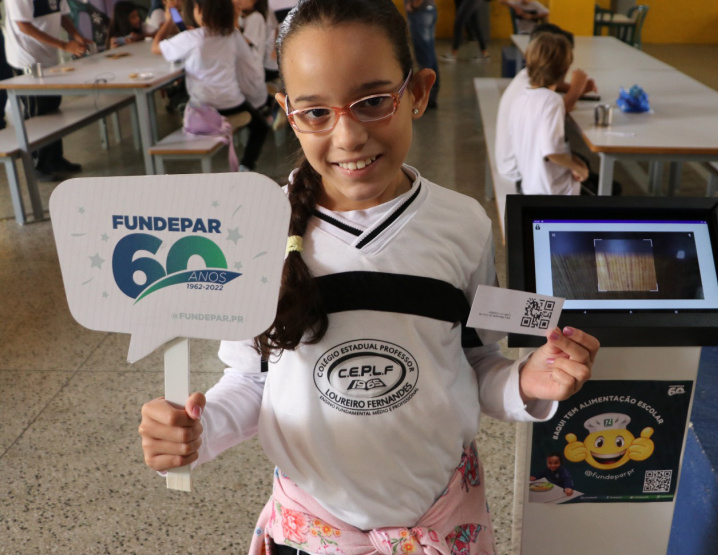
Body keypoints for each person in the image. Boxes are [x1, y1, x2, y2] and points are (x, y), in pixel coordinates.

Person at [137, 1, 599, 553]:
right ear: (288, 111)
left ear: (420, 92)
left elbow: (474, 363)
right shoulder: (254, 231)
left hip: (440, 521)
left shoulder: (463, 225)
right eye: (316, 112)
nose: (349, 135)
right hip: (314, 534)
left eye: (375, 101)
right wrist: (197, 430)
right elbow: (252, 381)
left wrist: (527, 382)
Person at [152, 0, 268, 171]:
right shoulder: (233, 35)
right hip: (232, 104)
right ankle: (246, 166)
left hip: (202, 108)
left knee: (185, 96)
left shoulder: (191, 38)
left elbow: (155, 48)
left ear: (199, 11)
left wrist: (170, 19)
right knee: (261, 127)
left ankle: (184, 107)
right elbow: (249, 67)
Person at [495, 24, 594, 191]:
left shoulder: (525, 91)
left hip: (528, 178)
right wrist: (578, 169)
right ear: (565, 67)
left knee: (578, 159)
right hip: (545, 189)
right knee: (595, 178)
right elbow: (551, 152)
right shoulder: (552, 101)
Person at [2, 0, 88, 181]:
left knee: (52, 109)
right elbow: (23, 26)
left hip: (48, 54)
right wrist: (64, 45)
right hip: (27, 57)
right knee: (37, 113)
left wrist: (76, 36)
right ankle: (37, 165)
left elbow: (62, 15)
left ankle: (54, 159)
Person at [404, 0, 438, 108]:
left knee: (424, 56)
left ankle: (427, 98)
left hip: (420, 12)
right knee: (429, 54)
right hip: (428, 10)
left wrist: (414, 6)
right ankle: (431, 96)